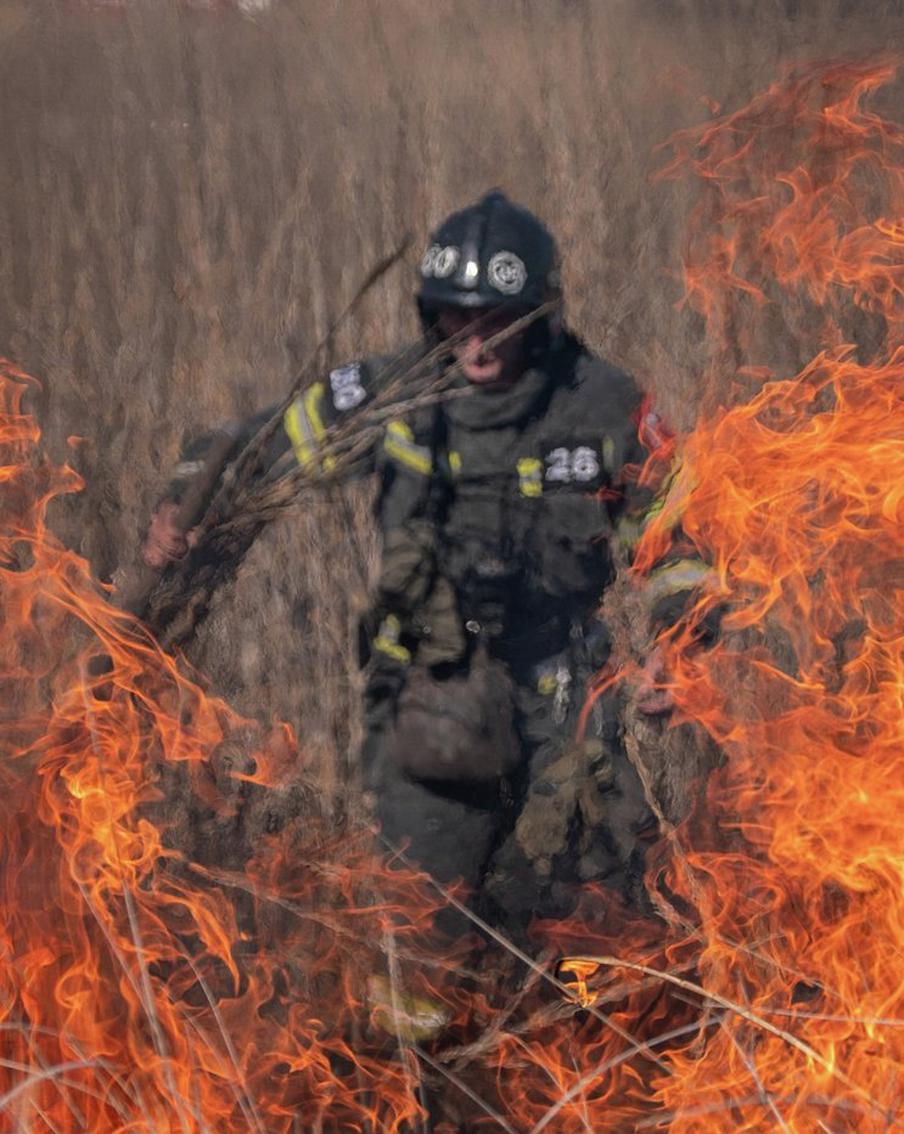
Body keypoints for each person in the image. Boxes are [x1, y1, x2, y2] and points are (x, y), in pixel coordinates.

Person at [144, 190, 682, 950]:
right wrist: (182, 506)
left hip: (569, 696)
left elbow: (680, 535)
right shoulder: (393, 393)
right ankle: (421, 1063)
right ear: (432, 313)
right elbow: (252, 440)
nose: (477, 339)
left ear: (544, 310)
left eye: (499, 317)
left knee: (603, 918)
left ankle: (581, 1053)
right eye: (458, 316)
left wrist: (682, 640)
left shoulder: (605, 404)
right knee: (425, 929)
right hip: (432, 696)